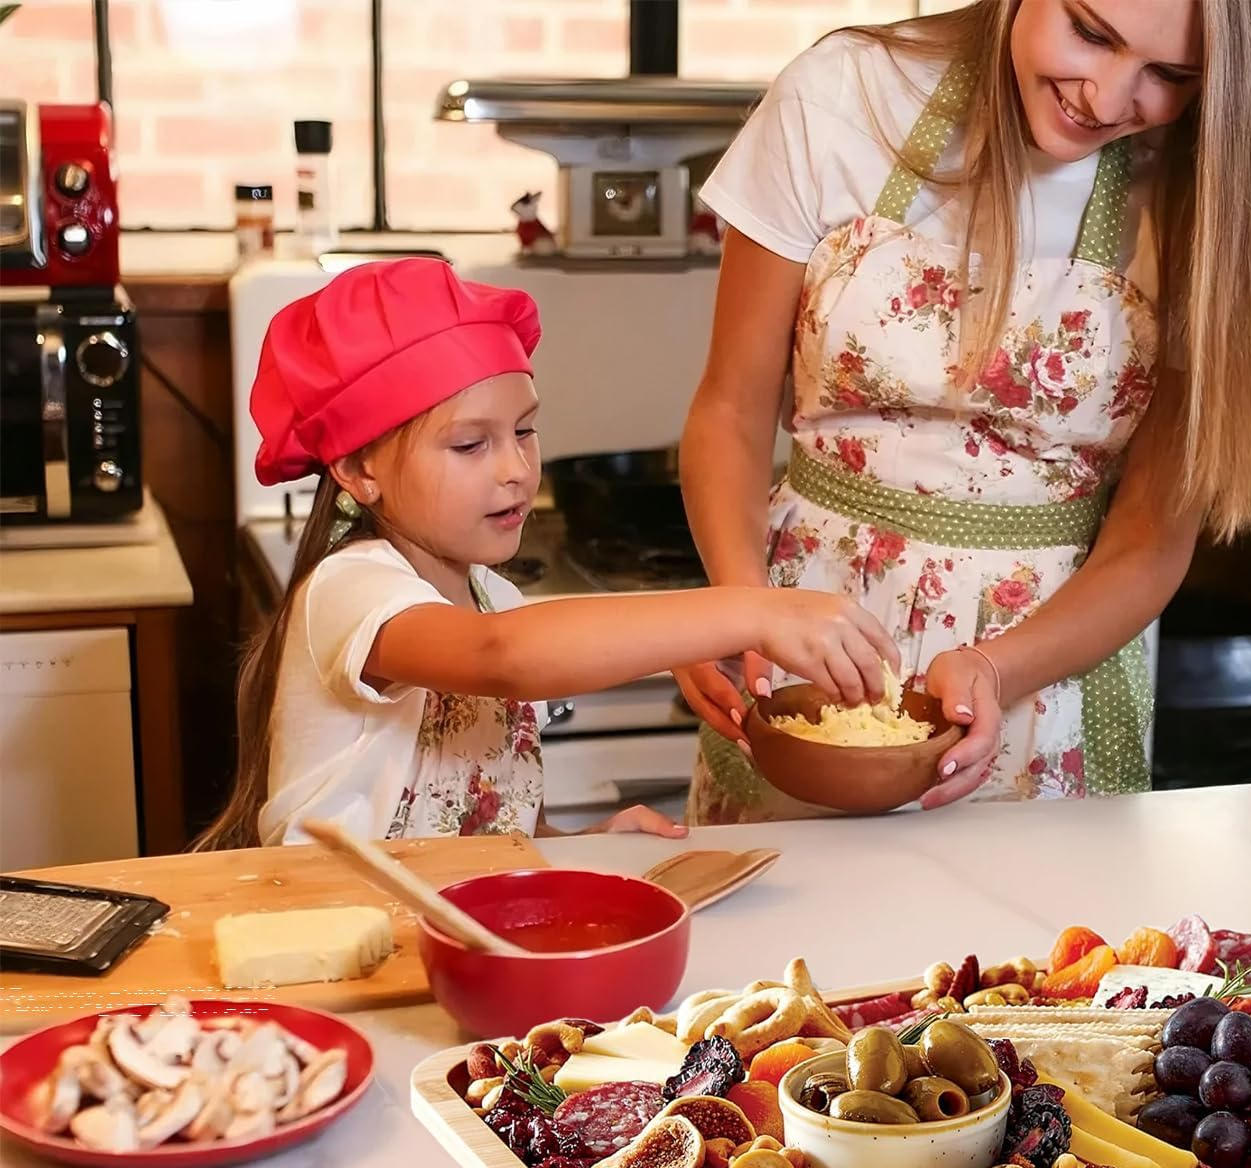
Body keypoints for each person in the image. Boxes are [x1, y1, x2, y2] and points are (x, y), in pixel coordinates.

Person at [674, 0, 1251, 823]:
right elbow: (730, 409)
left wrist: (1000, 668)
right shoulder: (844, 95)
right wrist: (741, 605)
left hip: (1047, 674)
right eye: (1090, 32)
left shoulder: (1206, 186)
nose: (1107, 98)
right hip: (801, 634)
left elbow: (1151, 538)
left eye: (1171, 75)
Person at [197, 258, 896, 849]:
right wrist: (751, 613)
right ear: (357, 469)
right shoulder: (351, 589)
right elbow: (504, 656)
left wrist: (584, 844)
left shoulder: (493, 597)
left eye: (525, 432)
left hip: (445, 935)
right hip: (333, 929)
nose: (516, 470)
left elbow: (496, 829)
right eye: (471, 444)